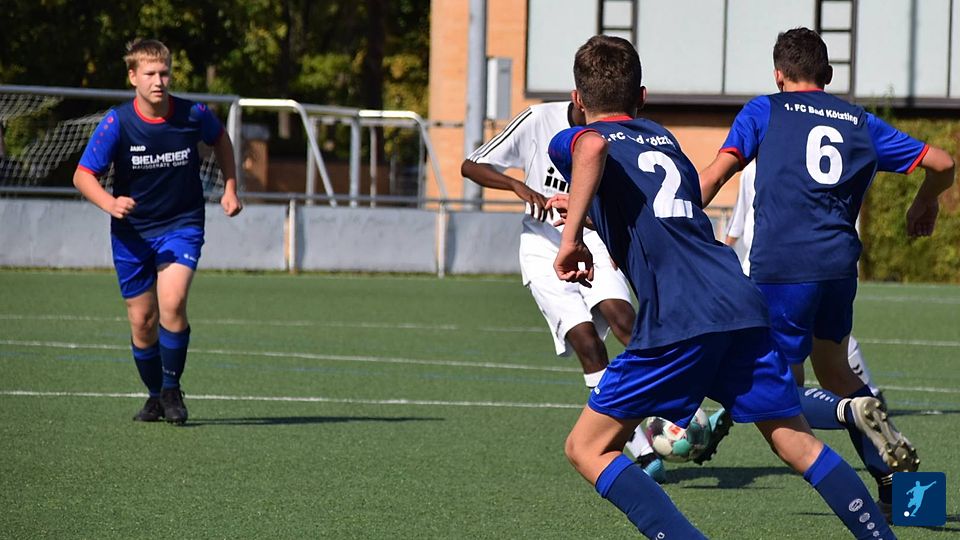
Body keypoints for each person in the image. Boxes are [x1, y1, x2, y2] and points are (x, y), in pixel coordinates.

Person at [544, 34, 895, 538]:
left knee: (586, 447)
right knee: (797, 438)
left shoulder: (578, 136)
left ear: (577, 100)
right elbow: (670, 216)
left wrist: (571, 237)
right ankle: (882, 515)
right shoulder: (664, 140)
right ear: (641, 97)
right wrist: (594, 215)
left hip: (689, 311)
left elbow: (594, 145)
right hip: (743, 297)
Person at [700, 27, 955, 516]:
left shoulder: (764, 110)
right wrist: (924, 203)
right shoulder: (859, 121)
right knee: (836, 370)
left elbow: (715, 174)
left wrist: (671, 222)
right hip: (838, 266)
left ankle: (849, 411)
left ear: (779, 75)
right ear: (828, 75)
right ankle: (905, 496)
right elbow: (943, 163)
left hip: (782, 267)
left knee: (780, 392)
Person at [461, 103, 673, 481]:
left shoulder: (612, 131)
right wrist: (517, 185)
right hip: (543, 250)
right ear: (578, 97)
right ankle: (641, 450)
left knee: (626, 321)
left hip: (595, 240)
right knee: (588, 344)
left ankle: (672, 412)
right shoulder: (538, 119)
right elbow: (470, 165)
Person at [73, 39, 242, 425]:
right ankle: (154, 395)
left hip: (182, 224)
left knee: (173, 301)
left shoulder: (193, 113)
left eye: (164, 73)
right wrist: (110, 203)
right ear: (133, 77)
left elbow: (220, 139)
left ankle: (171, 389)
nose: (159, 81)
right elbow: (82, 176)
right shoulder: (118, 122)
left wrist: (231, 187)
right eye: (150, 73)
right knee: (142, 320)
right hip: (132, 232)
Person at [724, 160, 883, 400]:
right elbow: (739, 217)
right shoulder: (751, 170)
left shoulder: (797, 163)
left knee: (797, 348)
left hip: (781, 267)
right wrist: (724, 252)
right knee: (799, 346)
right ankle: (862, 401)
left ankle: (857, 398)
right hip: (761, 266)